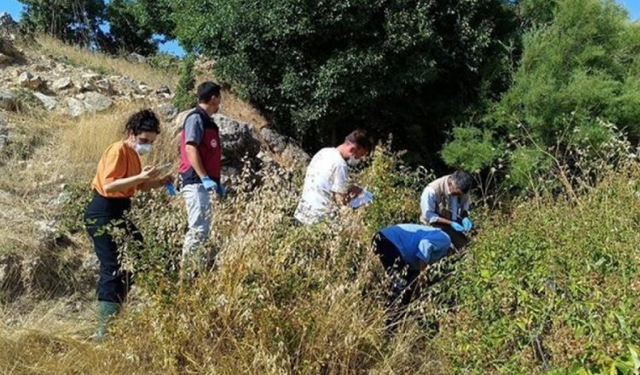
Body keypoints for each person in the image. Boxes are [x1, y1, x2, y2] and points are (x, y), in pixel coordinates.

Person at [84, 109, 171, 340]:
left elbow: (136, 187)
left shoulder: (133, 155)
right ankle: (103, 332)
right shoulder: (118, 149)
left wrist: (159, 181)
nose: (147, 146)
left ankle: (114, 319)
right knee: (113, 267)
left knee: (137, 256)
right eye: (144, 140)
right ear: (131, 133)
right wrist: (141, 178)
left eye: (151, 142)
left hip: (119, 212)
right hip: (103, 212)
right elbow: (110, 185)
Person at [178, 81, 226, 273]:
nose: (220, 102)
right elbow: (191, 147)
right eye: (219, 98)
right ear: (213, 98)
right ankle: (188, 274)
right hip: (196, 183)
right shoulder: (195, 118)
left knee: (203, 228)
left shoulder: (208, 122)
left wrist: (216, 183)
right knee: (198, 228)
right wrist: (204, 177)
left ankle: (196, 270)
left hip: (204, 183)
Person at [371, 224, 452, 324]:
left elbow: (418, 265)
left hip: (394, 245)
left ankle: (396, 322)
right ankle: (389, 323)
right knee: (400, 286)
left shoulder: (439, 252)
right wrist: (422, 275)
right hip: (388, 241)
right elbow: (424, 244)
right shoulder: (445, 239)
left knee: (407, 288)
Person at [293, 129, 373, 226]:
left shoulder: (323, 152)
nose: (358, 160)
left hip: (301, 213)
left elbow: (325, 183)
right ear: (352, 150)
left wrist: (349, 188)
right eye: (359, 156)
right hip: (316, 221)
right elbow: (339, 199)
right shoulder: (340, 165)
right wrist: (353, 197)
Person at [420, 170, 474, 250]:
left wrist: (465, 216)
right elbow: (428, 216)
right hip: (434, 226)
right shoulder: (431, 191)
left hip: (454, 225)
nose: (459, 196)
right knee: (445, 250)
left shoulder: (462, 189)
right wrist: (451, 223)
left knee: (467, 248)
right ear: (450, 184)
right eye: (457, 193)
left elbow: (465, 204)